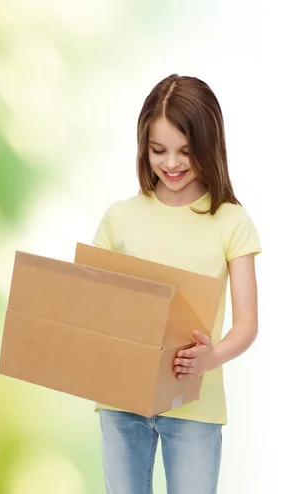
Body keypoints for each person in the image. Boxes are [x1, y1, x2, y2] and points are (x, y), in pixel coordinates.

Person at [92, 74, 261, 494]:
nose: (171, 163)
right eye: (158, 150)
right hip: (121, 398)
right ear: (143, 148)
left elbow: (247, 325)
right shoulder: (120, 217)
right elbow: (92, 300)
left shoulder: (230, 221)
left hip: (194, 403)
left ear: (210, 146)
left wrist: (211, 357)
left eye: (186, 151)